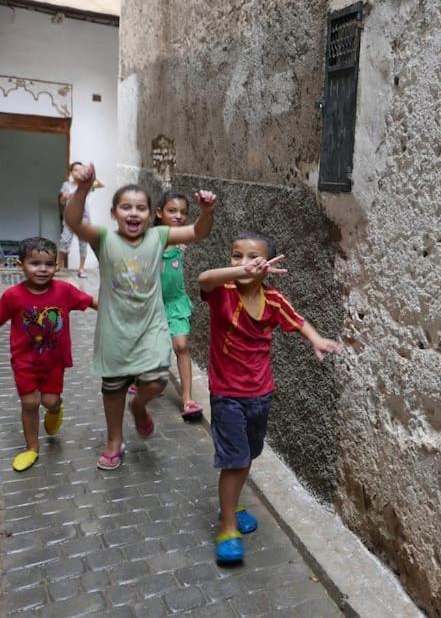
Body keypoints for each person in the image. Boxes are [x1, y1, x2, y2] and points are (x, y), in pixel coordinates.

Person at [198, 232, 342, 563]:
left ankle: (232, 503)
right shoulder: (222, 293)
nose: (243, 262)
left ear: (267, 267)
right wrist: (237, 272)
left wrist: (316, 340)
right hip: (227, 395)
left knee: (248, 454)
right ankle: (228, 525)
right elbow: (204, 279)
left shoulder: (273, 300)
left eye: (253, 258)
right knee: (234, 459)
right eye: (237, 256)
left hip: (261, 394)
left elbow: (297, 320)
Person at [64, 164, 216, 470]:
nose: (133, 213)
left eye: (140, 208)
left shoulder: (158, 237)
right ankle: (113, 442)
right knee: (113, 389)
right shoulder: (104, 238)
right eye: (126, 207)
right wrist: (83, 188)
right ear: (114, 213)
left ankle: (140, 407)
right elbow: (73, 221)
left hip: (151, 327)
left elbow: (199, 231)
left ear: (150, 215)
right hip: (114, 330)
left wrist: (207, 210)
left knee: (157, 381)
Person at [0, 237, 96, 472]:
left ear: (57, 266)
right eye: (35, 263)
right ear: (21, 264)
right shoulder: (13, 296)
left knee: (50, 401)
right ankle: (32, 447)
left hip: (54, 362)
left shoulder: (64, 290)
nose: (42, 269)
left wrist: (121, 310)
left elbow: (91, 301)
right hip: (24, 361)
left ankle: (56, 409)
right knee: (30, 402)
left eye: (48, 264)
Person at [155, 191, 202, 420]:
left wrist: (207, 211)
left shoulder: (184, 240)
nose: (178, 216)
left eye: (183, 212)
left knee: (181, 345)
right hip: (152, 305)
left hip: (175, 302)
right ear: (158, 213)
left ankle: (187, 398)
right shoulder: (150, 238)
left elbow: (200, 229)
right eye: (172, 210)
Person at [58, 161, 104, 278]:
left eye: (80, 169)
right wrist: (64, 196)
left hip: (85, 219)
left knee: (83, 244)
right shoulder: (67, 185)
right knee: (64, 241)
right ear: (71, 172)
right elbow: (62, 201)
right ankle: (58, 265)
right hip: (70, 219)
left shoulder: (87, 184)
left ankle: (81, 268)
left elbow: (101, 184)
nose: (78, 172)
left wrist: (91, 176)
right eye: (75, 170)